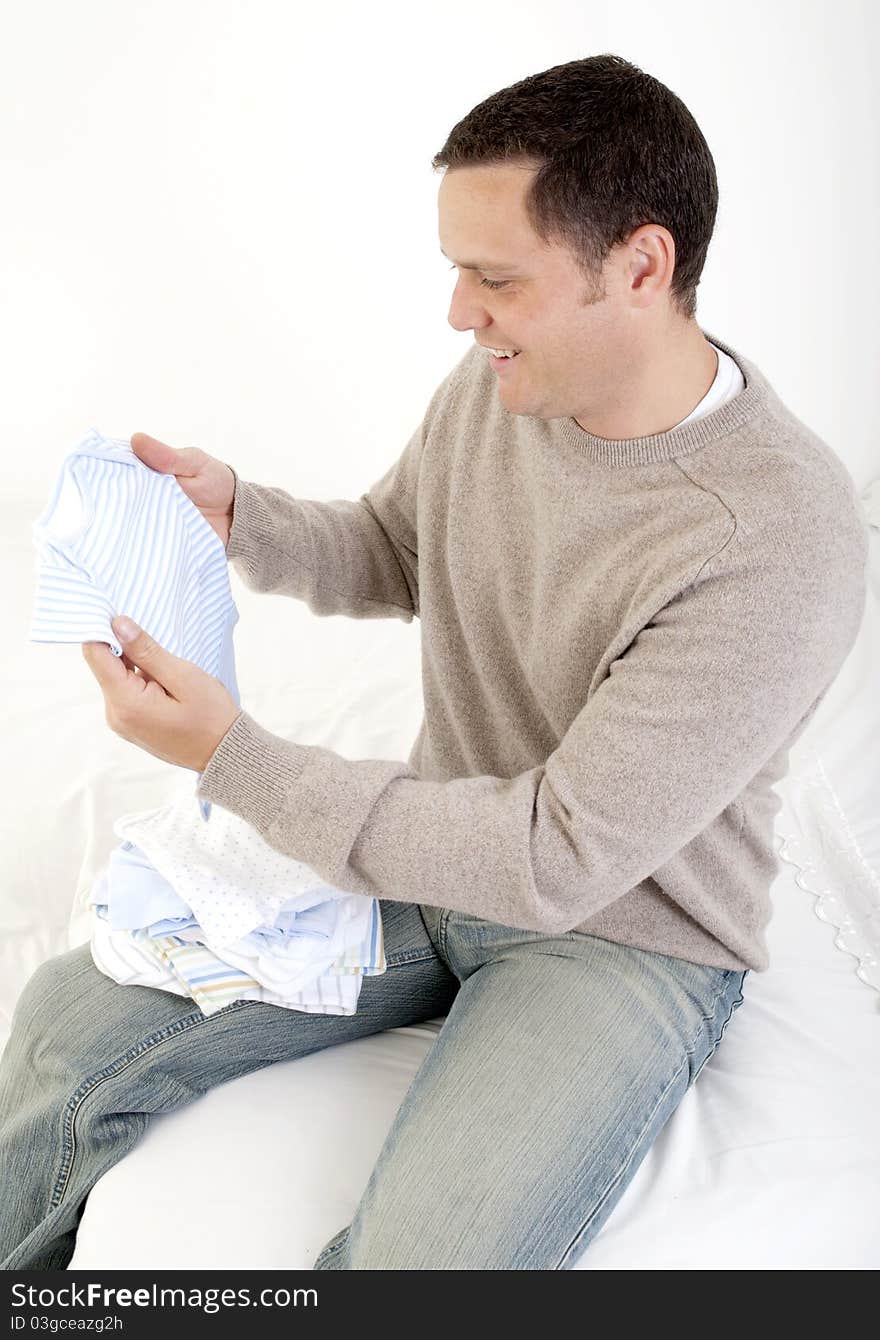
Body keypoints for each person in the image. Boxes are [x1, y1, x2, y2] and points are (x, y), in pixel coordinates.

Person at [0, 53, 867, 1272]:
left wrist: (232, 758)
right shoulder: (509, 377)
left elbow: (558, 858)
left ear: (641, 266)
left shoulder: (773, 532)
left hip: (619, 931)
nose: (460, 312)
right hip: (426, 847)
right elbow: (399, 545)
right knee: (63, 1031)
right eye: (458, 270)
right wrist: (239, 514)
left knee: (426, 1266)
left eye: (495, 278)